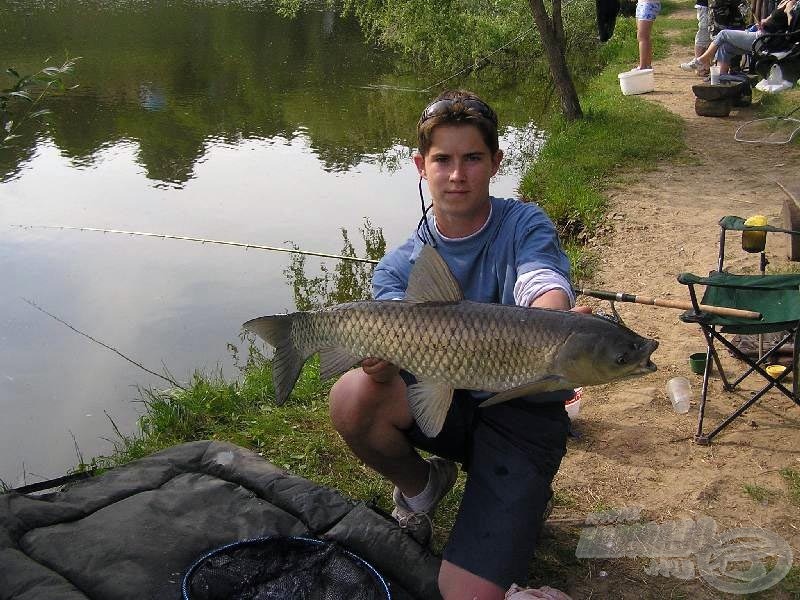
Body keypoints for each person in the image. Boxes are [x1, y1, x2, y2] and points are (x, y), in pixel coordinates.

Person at [328, 90, 582, 600]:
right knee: (353, 395)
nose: (457, 174)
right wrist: (380, 366)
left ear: (496, 162)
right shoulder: (402, 264)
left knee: (466, 595)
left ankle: (517, 494)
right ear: (421, 166)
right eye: (443, 160)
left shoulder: (523, 224)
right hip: (445, 403)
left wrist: (552, 316)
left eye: (472, 159)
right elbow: (387, 369)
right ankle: (423, 489)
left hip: (522, 414)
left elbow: (541, 281)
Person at [681, 0, 798, 74]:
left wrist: (790, 21)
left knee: (723, 34)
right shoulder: (783, 2)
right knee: (725, 46)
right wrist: (764, 22)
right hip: (763, 35)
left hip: (764, 40)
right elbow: (771, 20)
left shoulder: (790, 2)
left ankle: (702, 60)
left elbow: (790, 16)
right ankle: (721, 79)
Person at [635, 0, 661, 69]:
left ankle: (642, 66)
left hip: (648, 4)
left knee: (642, 37)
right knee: (645, 37)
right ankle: (647, 65)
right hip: (641, 3)